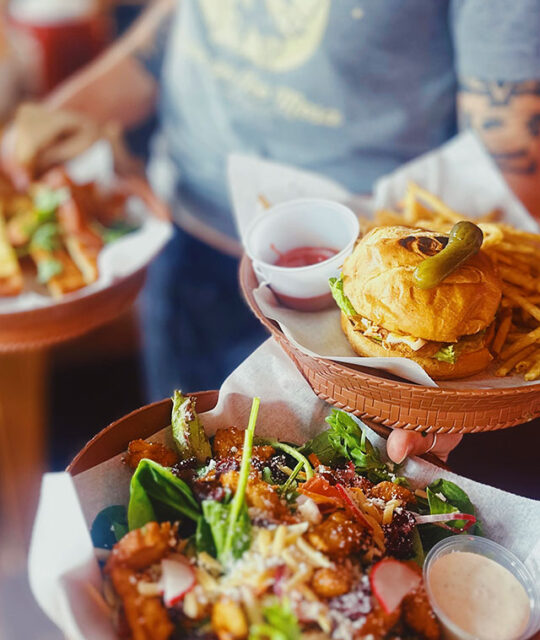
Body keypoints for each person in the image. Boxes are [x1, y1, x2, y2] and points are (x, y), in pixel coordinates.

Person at [3, 0, 540, 464]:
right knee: (188, 481)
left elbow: (507, 157)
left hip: (346, 310)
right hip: (180, 234)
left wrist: (440, 366)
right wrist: (74, 109)